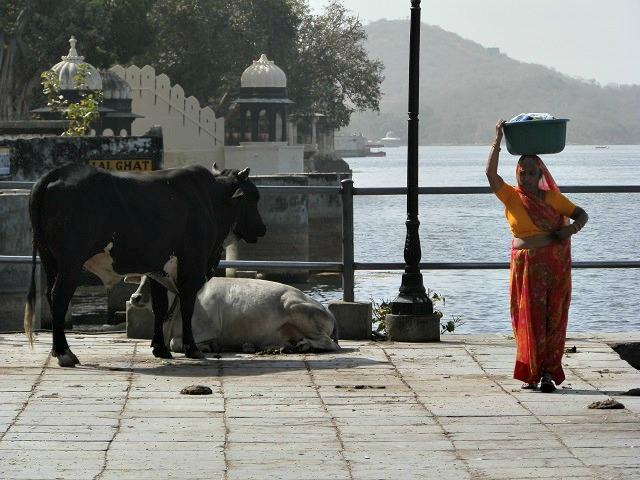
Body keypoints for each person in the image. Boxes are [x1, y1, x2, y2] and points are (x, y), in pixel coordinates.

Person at [485, 119, 589, 393]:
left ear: (540, 174)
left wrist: (568, 232)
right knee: (527, 317)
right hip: (525, 266)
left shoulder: (552, 198)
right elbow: (490, 175)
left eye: (531, 173)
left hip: (552, 266)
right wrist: (497, 140)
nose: (526, 178)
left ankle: (547, 373)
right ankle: (531, 373)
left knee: (551, 317)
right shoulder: (511, 197)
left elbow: (581, 214)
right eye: (522, 173)